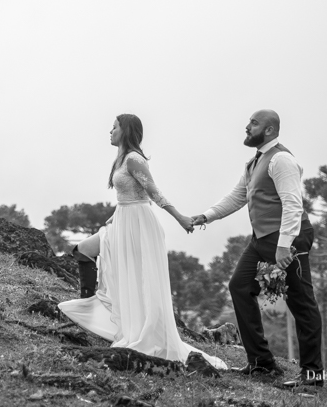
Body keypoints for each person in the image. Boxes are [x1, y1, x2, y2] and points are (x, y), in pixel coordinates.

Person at [58, 114, 228, 369]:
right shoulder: (121, 159)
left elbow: (153, 192)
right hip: (122, 220)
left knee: (139, 278)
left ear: (125, 130)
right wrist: (111, 220)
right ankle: (92, 308)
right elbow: (124, 199)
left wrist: (180, 217)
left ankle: (131, 326)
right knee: (82, 251)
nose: (110, 131)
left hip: (139, 225)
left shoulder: (134, 159)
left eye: (114, 127)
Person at [190, 109, 324, 389]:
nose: (247, 127)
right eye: (249, 122)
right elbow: (238, 196)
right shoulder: (254, 163)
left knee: (301, 303)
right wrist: (205, 216)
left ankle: (312, 377)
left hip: (289, 239)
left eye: (254, 123)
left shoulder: (282, 160)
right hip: (262, 239)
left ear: (270, 130)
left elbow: (292, 204)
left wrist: (284, 245)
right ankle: (262, 364)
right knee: (239, 286)